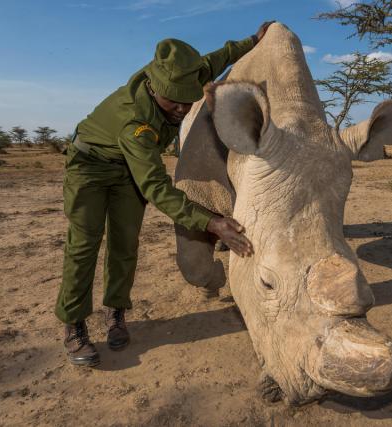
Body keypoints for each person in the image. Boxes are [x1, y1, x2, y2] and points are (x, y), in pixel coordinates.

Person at [55, 22, 274, 367]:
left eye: (189, 102)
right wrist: (212, 223)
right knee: (84, 246)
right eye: (174, 103)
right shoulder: (136, 122)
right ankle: (74, 325)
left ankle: (115, 313)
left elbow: (217, 58)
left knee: (125, 244)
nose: (183, 110)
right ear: (155, 88)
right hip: (91, 168)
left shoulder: (182, 75)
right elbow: (156, 188)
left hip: (129, 169)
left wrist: (252, 41)